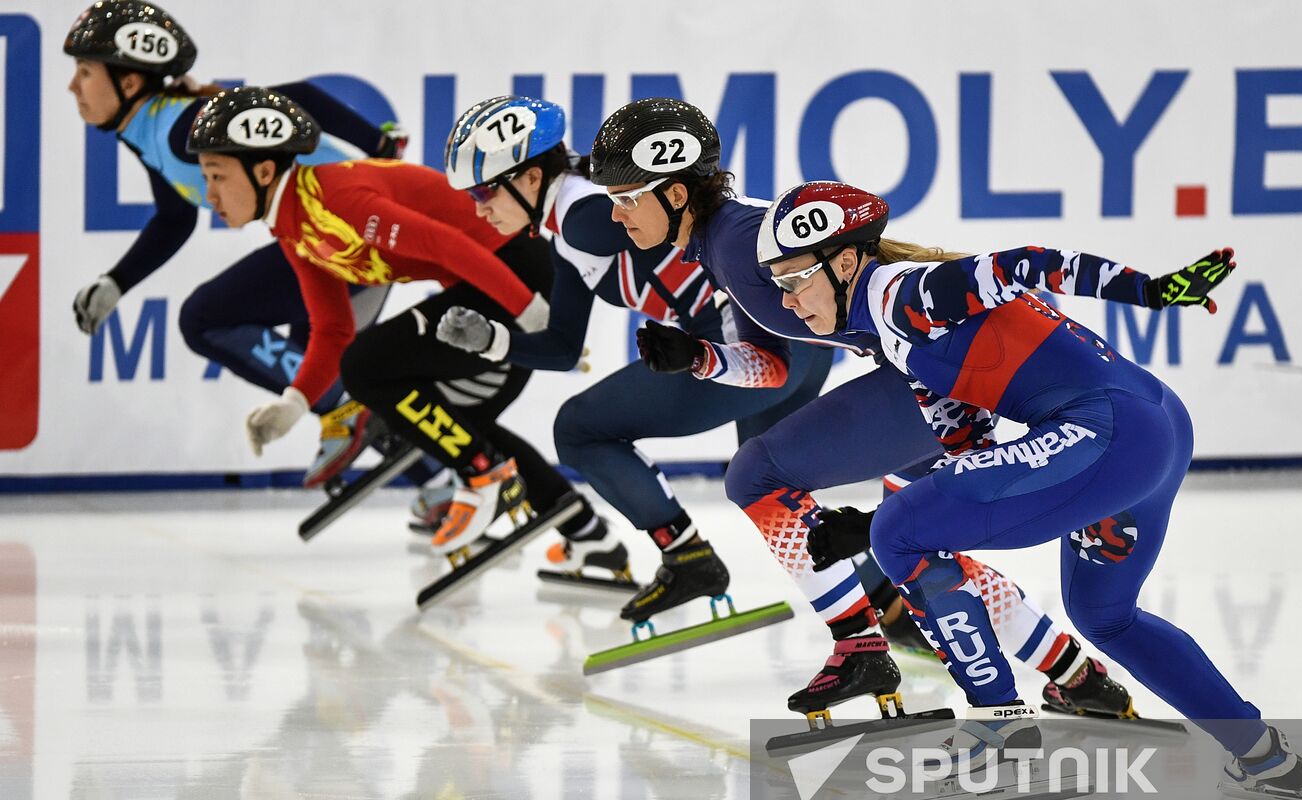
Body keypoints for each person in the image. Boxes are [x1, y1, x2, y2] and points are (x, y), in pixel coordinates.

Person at [588, 99, 1144, 727]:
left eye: (626, 197)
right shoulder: (724, 246)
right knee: (920, 550)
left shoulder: (741, 244)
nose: (615, 214)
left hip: (938, 380)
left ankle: (859, 647)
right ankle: (1074, 673)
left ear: (676, 193)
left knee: (755, 475)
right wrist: (699, 358)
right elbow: (773, 367)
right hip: (939, 381)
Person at [756, 178, 1302, 796]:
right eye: (778, 284)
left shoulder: (903, 294)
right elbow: (972, 457)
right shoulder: (896, 338)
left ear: (846, 263)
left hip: (1108, 434)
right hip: (1153, 429)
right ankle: (1263, 755)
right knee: (1104, 616)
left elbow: (1027, 264)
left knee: (899, 530)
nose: (787, 301)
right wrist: (873, 527)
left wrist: (1147, 291)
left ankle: (999, 725)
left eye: (794, 279)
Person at [434, 95, 832, 620]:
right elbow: (562, 347)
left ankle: (686, 556)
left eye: (483, 190)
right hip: (794, 345)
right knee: (775, 494)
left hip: (745, 348)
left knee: (578, 428)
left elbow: (691, 212)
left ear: (530, 178)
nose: (478, 208)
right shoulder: (569, 228)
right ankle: (887, 603)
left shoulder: (582, 217)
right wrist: (492, 340)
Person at [185, 87, 594, 554]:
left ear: (263, 172)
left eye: (216, 176)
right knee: (457, 420)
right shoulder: (295, 227)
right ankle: (588, 534)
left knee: (366, 366)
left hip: (512, 273)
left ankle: (483, 475)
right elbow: (333, 328)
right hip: (496, 282)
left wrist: (531, 312)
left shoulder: (333, 199)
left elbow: (444, 244)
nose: (209, 194)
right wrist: (295, 402)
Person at [63, 1, 411, 486]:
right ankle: (437, 472)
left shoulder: (180, 126)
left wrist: (380, 146)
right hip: (333, 237)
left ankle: (347, 406)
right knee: (321, 368)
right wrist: (117, 281)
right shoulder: (150, 130)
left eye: (84, 72)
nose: (72, 87)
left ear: (129, 82)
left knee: (203, 319)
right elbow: (174, 218)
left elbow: (296, 97)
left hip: (343, 233)